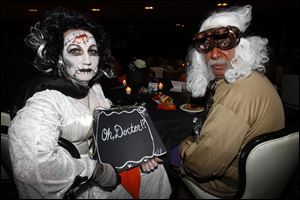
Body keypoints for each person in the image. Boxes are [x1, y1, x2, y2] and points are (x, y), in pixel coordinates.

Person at [8, 7, 171, 199]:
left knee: (156, 171)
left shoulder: (94, 88)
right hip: (78, 186)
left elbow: (113, 135)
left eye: (92, 51)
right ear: (59, 58)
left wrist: (138, 154)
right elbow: (33, 168)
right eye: (75, 51)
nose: (87, 60)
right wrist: (97, 171)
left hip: (109, 165)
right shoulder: (45, 100)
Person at [178, 5, 285, 198]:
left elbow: (203, 165)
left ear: (243, 46)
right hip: (261, 178)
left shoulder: (237, 91)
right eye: (207, 47)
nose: (215, 54)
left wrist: (183, 147)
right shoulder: (252, 78)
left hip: (229, 185)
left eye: (224, 42)